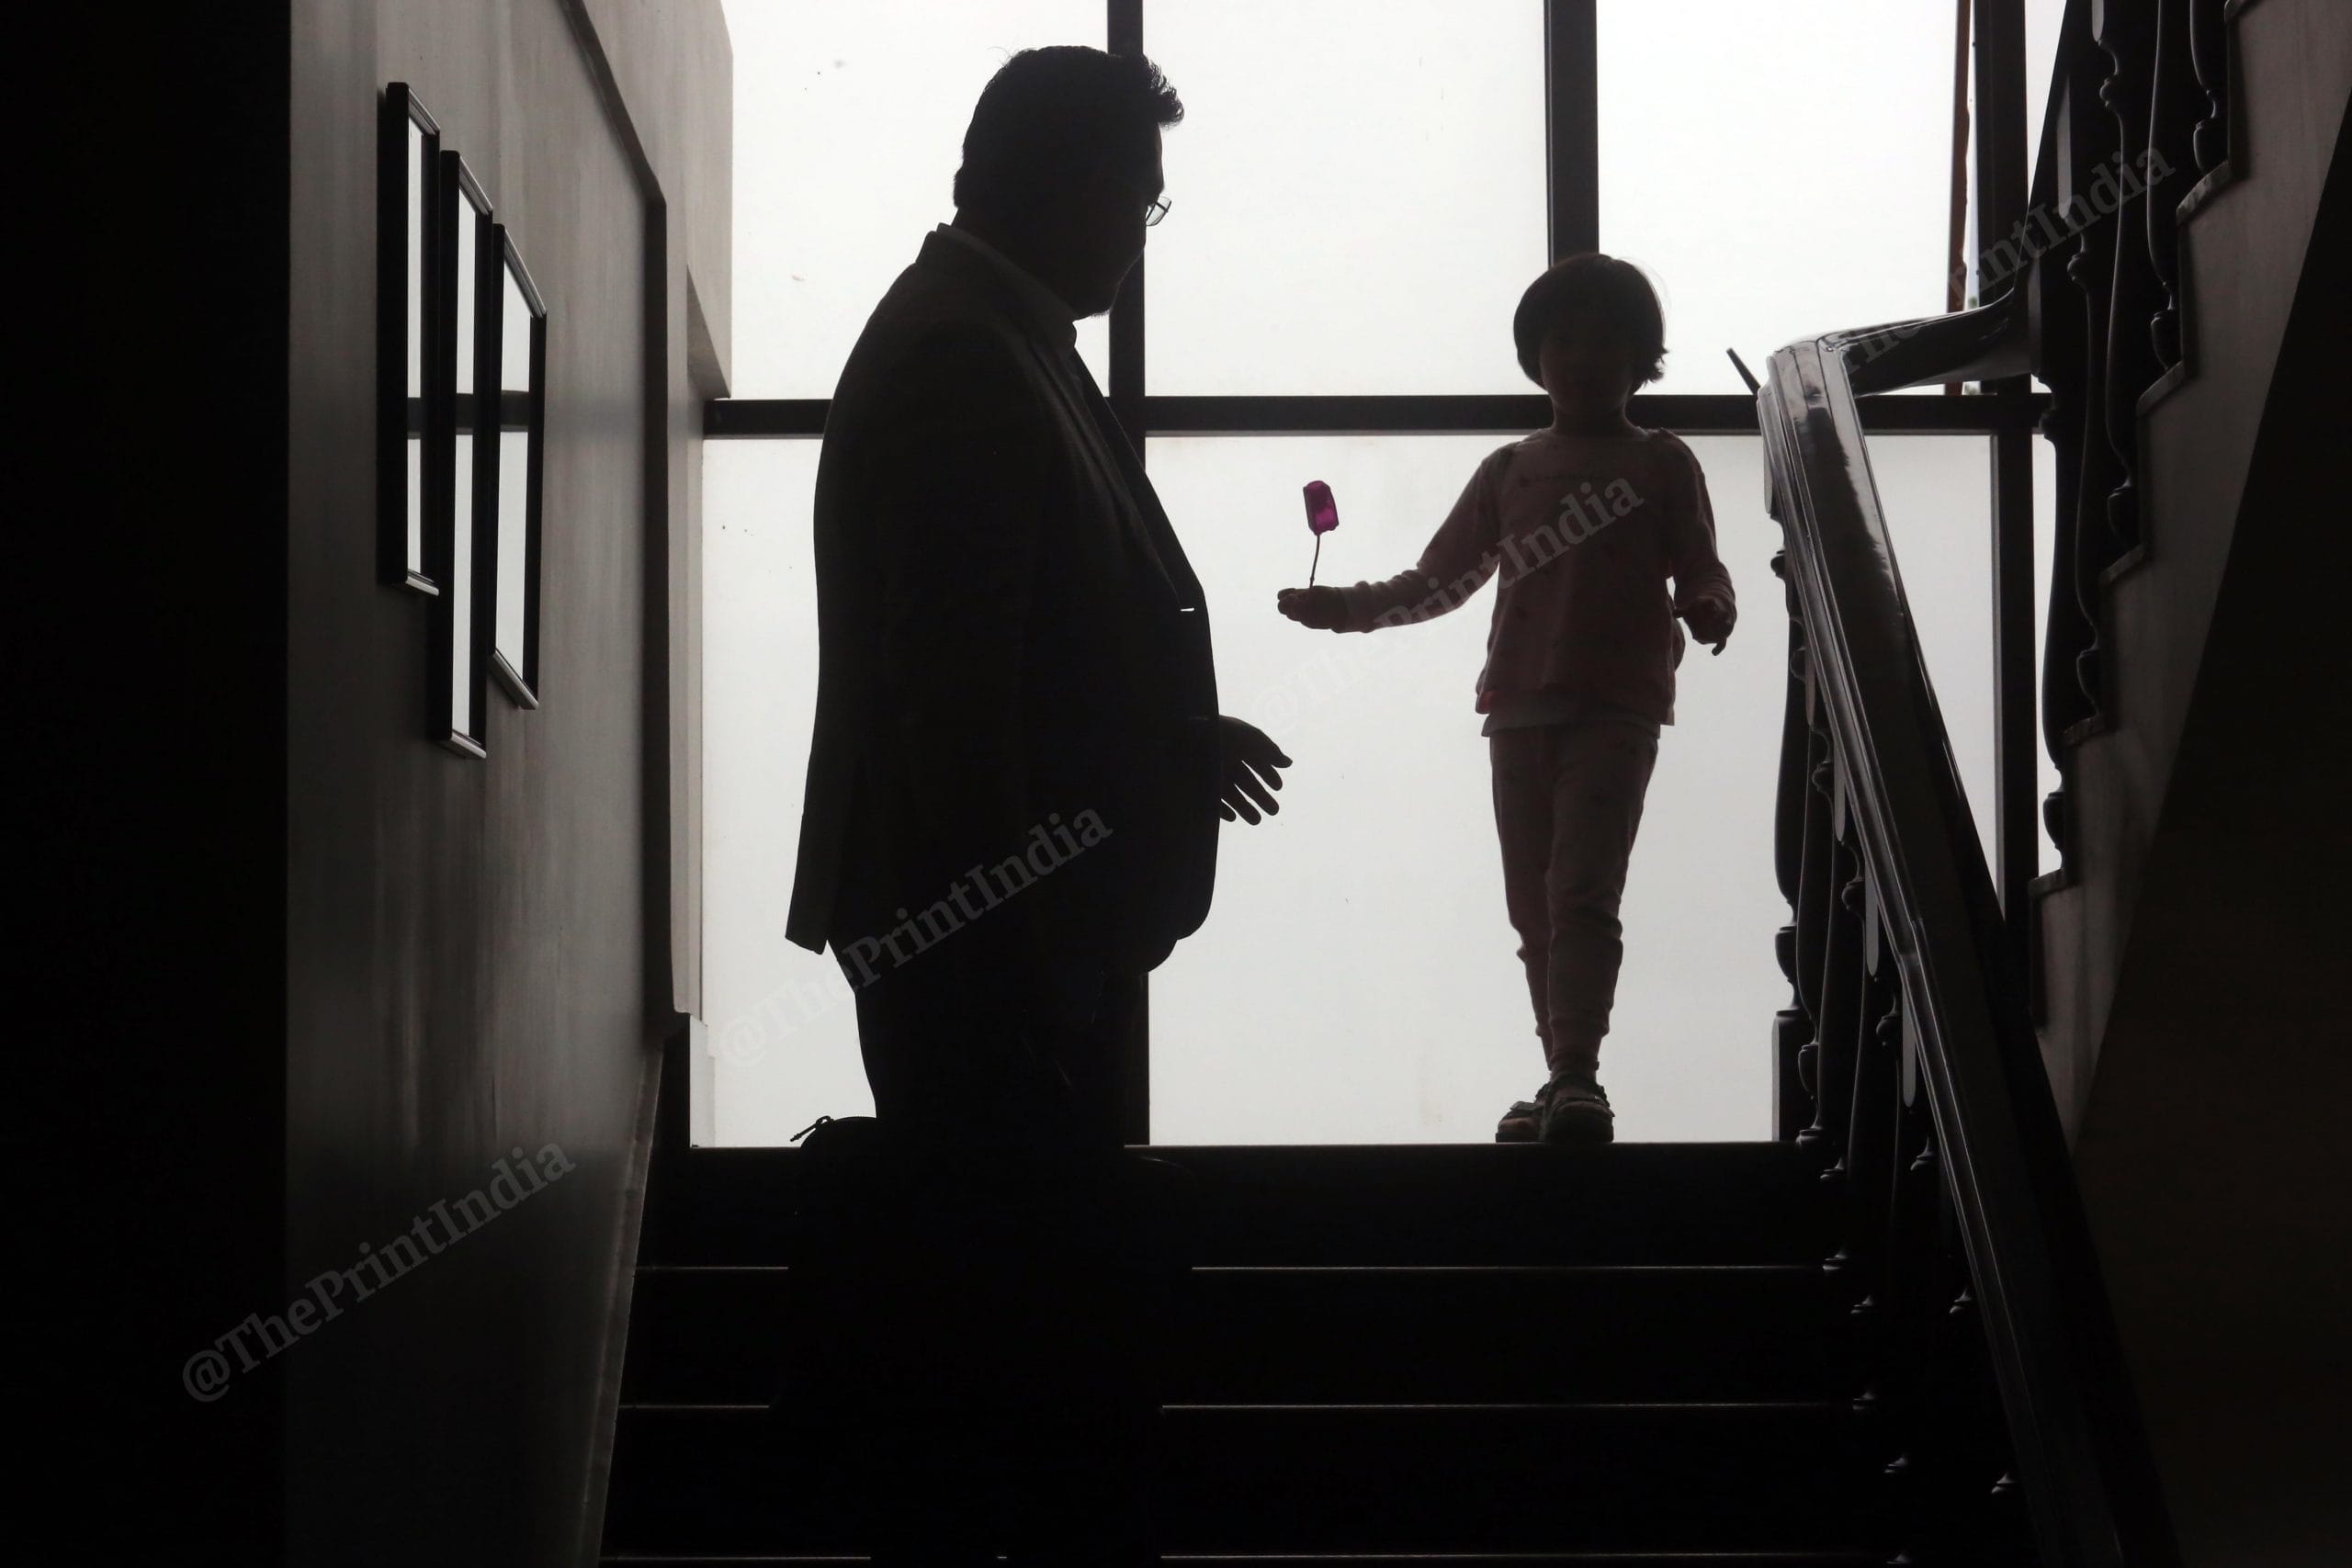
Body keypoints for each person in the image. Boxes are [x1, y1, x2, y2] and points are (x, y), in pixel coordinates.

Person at [780, 44, 1288, 1565]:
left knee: (1000, 1330)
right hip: (990, 938)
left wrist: (1162, 737)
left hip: (988, 925)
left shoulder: (982, 335)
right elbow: (952, 700)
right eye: (1140, 201)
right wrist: (1001, 953)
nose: (1141, 236)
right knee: (1016, 1357)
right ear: (1068, 186)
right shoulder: (971, 357)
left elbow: (1003, 657)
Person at [1277, 253, 1735, 1147]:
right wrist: (1348, 609)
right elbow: (1438, 580)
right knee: (1538, 909)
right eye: (1563, 341)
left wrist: (1709, 602)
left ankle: (1576, 1076)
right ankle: (1566, 1074)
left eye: (1603, 342)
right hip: (1518, 705)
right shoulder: (1509, 470)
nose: (1581, 358)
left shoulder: (1661, 462)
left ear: (1640, 359)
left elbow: (1701, 564)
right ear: (1535, 356)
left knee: (1579, 894)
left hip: (1615, 706)